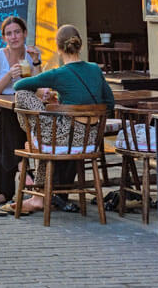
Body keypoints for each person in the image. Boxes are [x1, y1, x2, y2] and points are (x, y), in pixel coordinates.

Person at [8, 24, 115, 213]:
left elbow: (20, 85)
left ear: (58, 48)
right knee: (42, 134)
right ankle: (37, 197)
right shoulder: (95, 69)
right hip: (89, 141)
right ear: (80, 45)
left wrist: (48, 100)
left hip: (64, 139)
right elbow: (109, 103)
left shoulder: (59, 73)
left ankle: (34, 137)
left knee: (23, 99)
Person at [0, 15, 42, 208]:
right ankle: (25, 170)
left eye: (17, 32)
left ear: (25, 33)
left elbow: (39, 89)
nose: (13, 37)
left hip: (18, 112)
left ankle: (4, 191)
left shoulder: (31, 57)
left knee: (10, 122)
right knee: (6, 116)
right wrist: (8, 76)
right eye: (9, 34)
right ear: (4, 37)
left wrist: (37, 63)